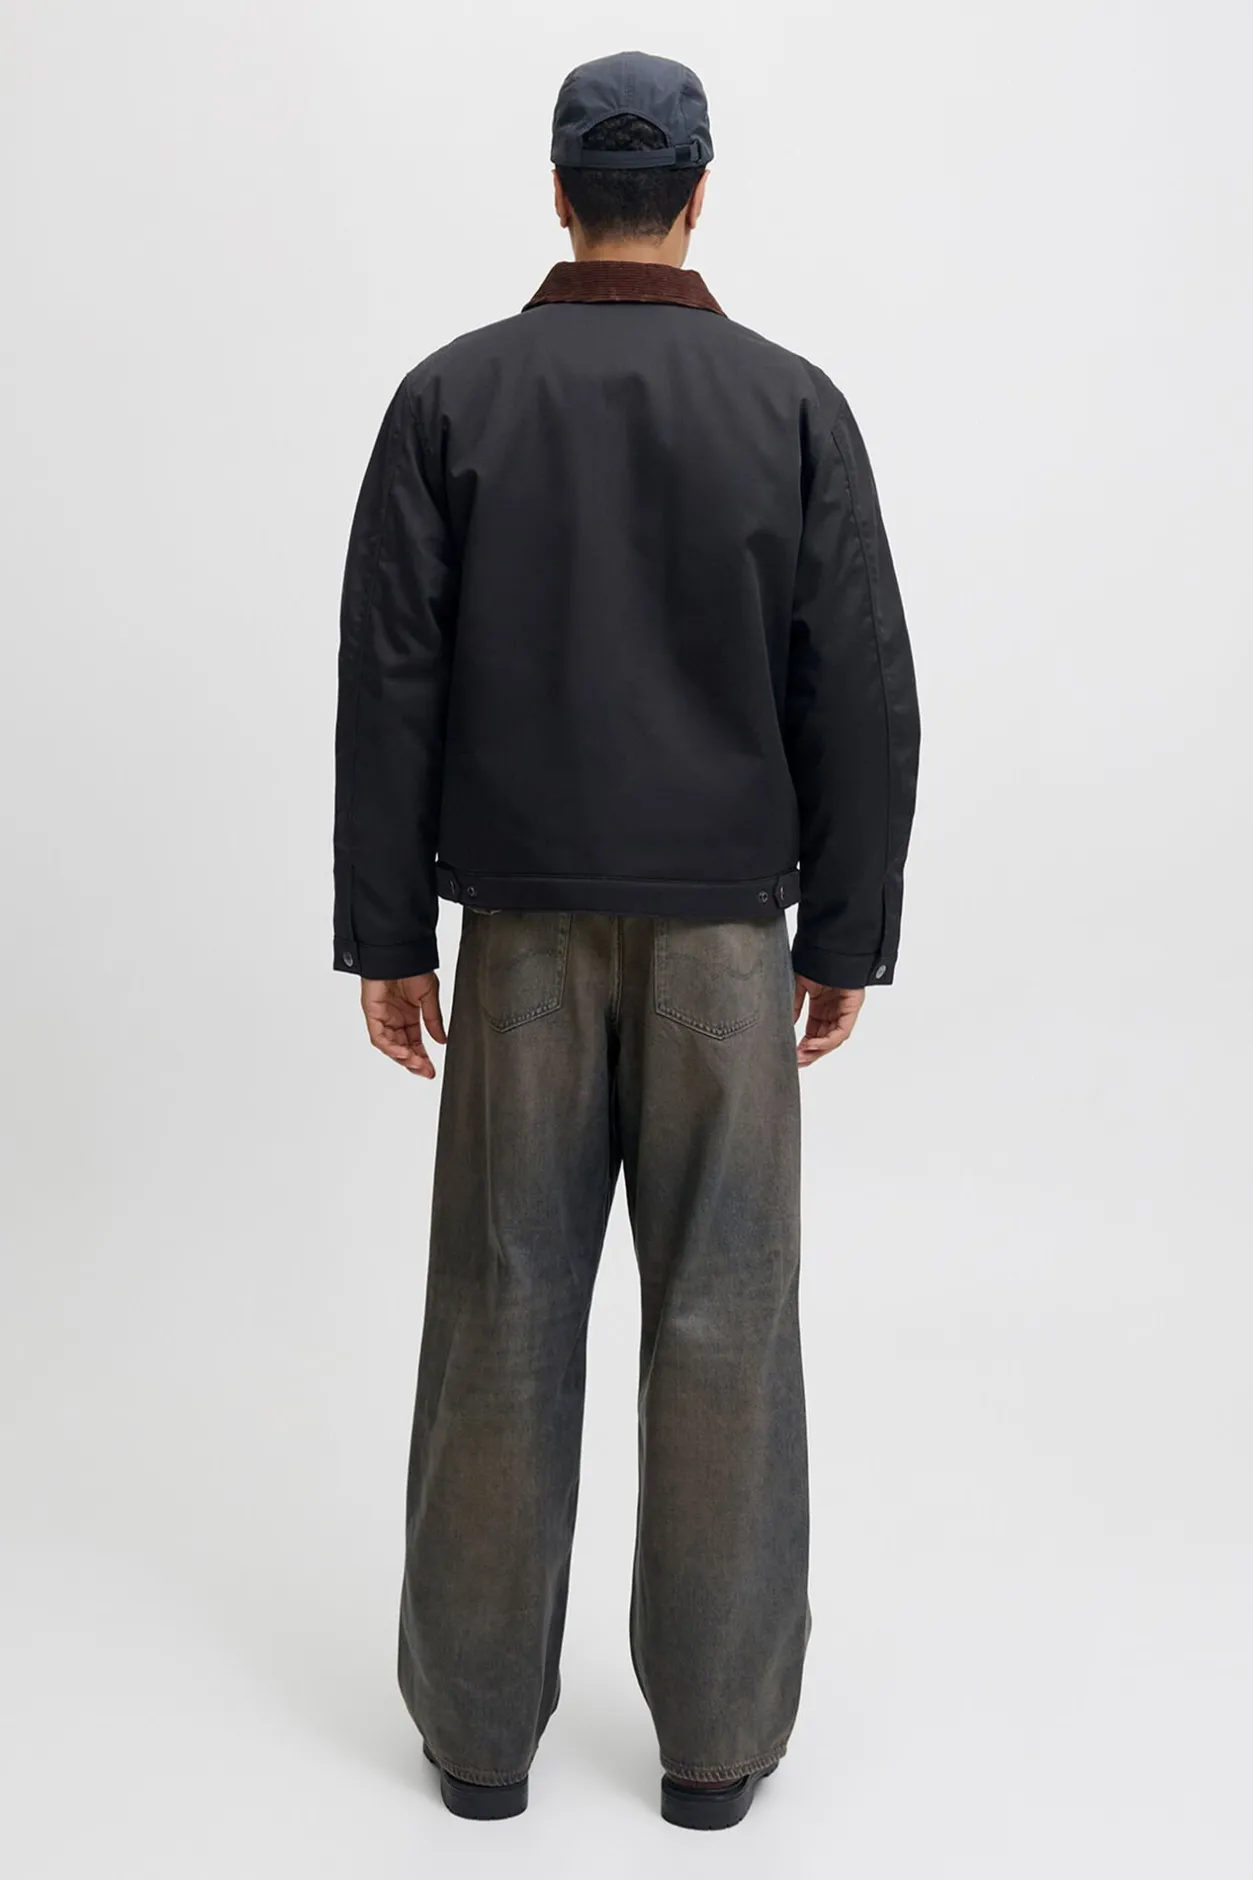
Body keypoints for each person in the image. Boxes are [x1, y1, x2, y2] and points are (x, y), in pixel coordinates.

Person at [332, 49, 920, 1831]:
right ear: (700, 194)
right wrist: (846, 932)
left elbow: (389, 681)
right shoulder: (790, 403)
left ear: (560, 191)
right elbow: (861, 690)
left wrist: (389, 932)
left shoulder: (452, 396)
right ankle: (717, 1753)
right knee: (728, 1320)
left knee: (499, 1314)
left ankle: (477, 1746)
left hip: (514, 934)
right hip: (729, 945)